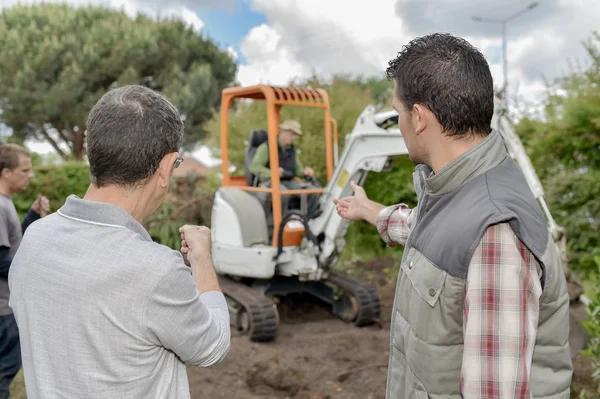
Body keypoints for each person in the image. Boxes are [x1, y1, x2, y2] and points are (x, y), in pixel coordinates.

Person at [334, 33, 572, 399]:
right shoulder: (456, 191)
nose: (398, 123)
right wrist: (370, 210)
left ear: (418, 118)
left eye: (399, 112)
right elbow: (428, 231)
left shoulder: (494, 234)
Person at [8, 85, 230, 398]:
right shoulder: (155, 269)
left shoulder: (34, 239)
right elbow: (212, 346)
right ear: (166, 167)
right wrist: (202, 259)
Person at [0, 144, 49, 399]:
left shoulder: (5, 204)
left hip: (7, 306)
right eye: (25, 170)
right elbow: (0, 261)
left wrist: (31, 214)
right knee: (3, 373)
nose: (30, 175)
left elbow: (10, 243)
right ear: (6, 172)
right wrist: (38, 269)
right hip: (3, 310)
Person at [250, 119, 321, 219]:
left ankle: (307, 221)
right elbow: (255, 167)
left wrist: (305, 171)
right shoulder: (266, 147)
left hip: (288, 182)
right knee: (282, 194)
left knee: (312, 191)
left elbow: (298, 170)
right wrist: (272, 173)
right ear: (283, 132)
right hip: (269, 182)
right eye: (291, 134)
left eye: (295, 135)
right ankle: (281, 223)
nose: (293, 137)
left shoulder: (291, 150)